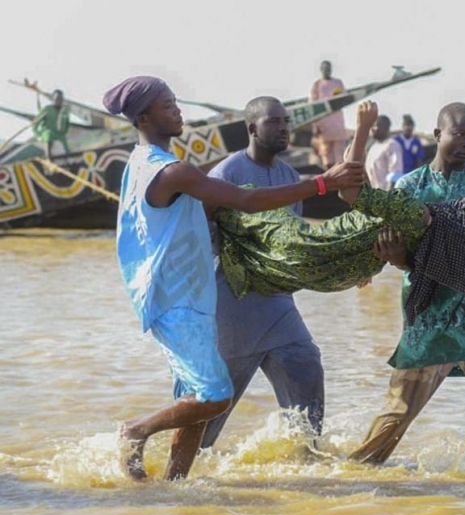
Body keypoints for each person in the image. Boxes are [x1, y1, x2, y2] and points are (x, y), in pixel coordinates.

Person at [102, 76, 366, 482]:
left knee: (200, 394)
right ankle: (135, 431)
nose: (178, 111)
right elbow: (244, 201)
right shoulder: (173, 171)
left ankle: (173, 485)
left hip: (183, 293)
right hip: (183, 298)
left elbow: (201, 216)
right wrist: (323, 183)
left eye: (176, 102)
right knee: (214, 396)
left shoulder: (139, 163)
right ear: (142, 117)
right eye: (168, 106)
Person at [348, 102, 465, 473]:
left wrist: (427, 234)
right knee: (395, 417)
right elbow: (407, 255)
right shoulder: (409, 187)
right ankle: (349, 478)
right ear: (437, 135)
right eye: (459, 134)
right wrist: (396, 257)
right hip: (428, 314)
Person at [199, 96, 332, 450]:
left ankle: (306, 457)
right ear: (252, 128)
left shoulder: (289, 176)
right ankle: (180, 475)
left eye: (287, 121)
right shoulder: (227, 173)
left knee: (305, 361)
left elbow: (291, 238)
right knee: (214, 400)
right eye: (275, 121)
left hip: (276, 299)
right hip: (233, 298)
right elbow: (203, 234)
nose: (285, 128)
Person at [310, 60, 349, 168]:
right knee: (327, 157)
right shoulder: (317, 85)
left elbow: (344, 98)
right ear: (321, 70)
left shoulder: (338, 83)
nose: (327, 71)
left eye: (329, 68)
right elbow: (312, 105)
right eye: (325, 68)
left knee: (339, 157)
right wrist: (315, 126)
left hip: (337, 124)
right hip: (323, 124)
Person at [365, 115, 404, 190]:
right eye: (372, 126)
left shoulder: (392, 145)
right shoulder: (373, 147)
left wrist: (388, 198)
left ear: (385, 128)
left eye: (375, 126)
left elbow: (395, 174)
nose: (372, 129)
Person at [32, 89, 70, 159]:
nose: (59, 101)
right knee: (48, 134)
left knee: (67, 150)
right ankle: (48, 157)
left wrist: (64, 132)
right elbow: (35, 124)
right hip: (48, 133)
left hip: (60, 135)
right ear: (53, 99)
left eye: (60, 99)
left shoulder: (65, 110)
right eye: (57, 99)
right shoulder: (47, 109)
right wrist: (38, 136)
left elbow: (67, 123)